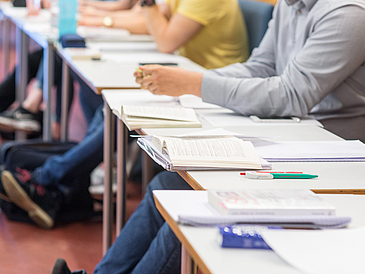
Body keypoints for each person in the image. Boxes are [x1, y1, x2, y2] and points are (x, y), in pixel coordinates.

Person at [48, 0, 365, 273]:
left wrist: (194, 84)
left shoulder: (348, 13)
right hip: (291, 137)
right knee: (166, 186)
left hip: (329, 156)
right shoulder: (289, 5)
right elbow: (261, 67)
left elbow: (290, 95)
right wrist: (189, 82)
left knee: (192, 208)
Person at [0, 0, 249, 228]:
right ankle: (70, 175)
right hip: (186, 82)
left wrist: (131, 8)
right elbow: (142, 21)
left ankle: (47, 177)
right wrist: (99, 19)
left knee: (118, 111)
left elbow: (165, 40)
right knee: (107, 105)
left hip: (209, 94)